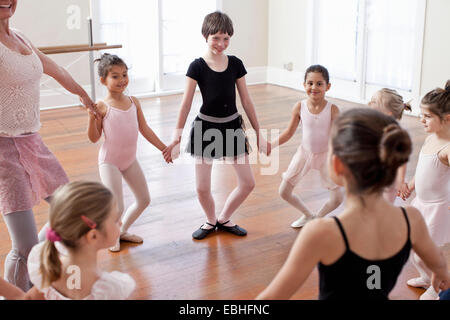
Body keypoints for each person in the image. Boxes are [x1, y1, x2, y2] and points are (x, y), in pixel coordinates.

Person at [256, 109, 450, 300]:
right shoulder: (411, 219)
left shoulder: (321, 232)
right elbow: (440, 266)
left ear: (338, 165)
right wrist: (441, 274)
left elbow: (271, 298)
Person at [0, 0, 96, 291]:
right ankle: (20, 295)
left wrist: (85, 97)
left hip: (33, 143)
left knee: (74, 214)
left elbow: (55, 69)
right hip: (3, 150)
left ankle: (41, 265)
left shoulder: (20, 37)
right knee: (24, 247)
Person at [163, 11, 270, 240]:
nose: (221, 44)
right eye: (216, 38)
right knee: (202, 188)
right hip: (206, 129)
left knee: (248, 183)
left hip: (232, 127)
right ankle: (210, 220)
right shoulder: (197, 67)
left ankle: (224, 218)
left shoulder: (236, 64)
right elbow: (185, 105)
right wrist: (176, 140)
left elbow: (247, 101)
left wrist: (260, 134)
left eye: (226, 38)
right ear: (205, 36)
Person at [87, 53, 168, 252]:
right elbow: (94, 138)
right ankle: (111, 236)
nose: (122, 80)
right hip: (110, 161)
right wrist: (92, 118)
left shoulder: (134, 102)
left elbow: (145, 129)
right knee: (117, 206)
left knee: (144, 199)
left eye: (124, 74)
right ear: (103, 80)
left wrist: (163, 148)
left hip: (129, 160)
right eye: (115, 76)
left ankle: (121, 232)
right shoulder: (102, 106)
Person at [26, 181, 136, 300]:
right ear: (93, 236)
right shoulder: (109, 291)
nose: (121, 223)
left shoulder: (45, 264)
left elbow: (29, 297)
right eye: (115, 220)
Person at [271, 65, 342, 228]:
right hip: (304, 154)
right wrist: (271, 145)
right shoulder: (299, 107)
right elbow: (289, 132)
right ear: (304, 85)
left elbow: (340, 137)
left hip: (326, 157)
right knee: (284, 192)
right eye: (310, 83)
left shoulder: (333, 109)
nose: (314, 87)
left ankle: (318, 218)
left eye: (319, 84)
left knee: (338, 198)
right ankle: (308, 215)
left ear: (327, 86)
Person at [400, 81, 450, 300]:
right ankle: (425, 277)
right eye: (422, 114)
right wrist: (410, 186)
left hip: (438, 208)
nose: (421, 119)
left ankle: (437, 286)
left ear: (447, 119)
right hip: (421, 203)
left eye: (427, 116)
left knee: (426, 253)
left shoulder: (447, 148)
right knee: (412, 246)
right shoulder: (430, 139)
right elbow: (422, 169)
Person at [368, 88, 412, 203]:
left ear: (387, 114)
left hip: (387, 181)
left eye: (373, 101)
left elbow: (402, 159)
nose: (369, 103)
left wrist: (401, 181)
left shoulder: (396, 133)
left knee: (383, 209)